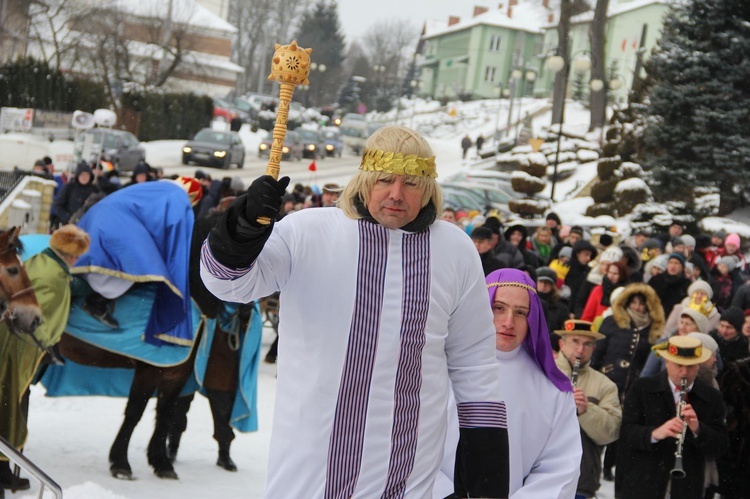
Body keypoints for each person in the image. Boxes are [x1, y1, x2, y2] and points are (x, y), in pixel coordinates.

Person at [201, 126, 510, 498]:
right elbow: (226, 282)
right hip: (313, 463)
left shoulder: (456, 250)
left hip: (407, 468)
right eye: (384, 180)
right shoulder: (307, 231)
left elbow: (473, 360)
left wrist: (485, 463)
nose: (396, 194)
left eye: (412, 182)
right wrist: (244, 227)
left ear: (429, 187)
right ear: (364, 180)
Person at [433, 268, 581, 498]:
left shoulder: (552, 390)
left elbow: (561, 467)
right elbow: (408, 441)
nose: (509, 322)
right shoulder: (436, 368)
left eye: (521, 312)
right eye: (498, 308)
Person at [0, 225, 90, 492]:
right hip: (20, 344)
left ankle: (5, 468)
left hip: (22, 341)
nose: (76, 260)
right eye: (75, 255)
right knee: (9, 403)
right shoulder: (51, 274)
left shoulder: (46, 264)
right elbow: (34, 315)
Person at [616, 335, 729, 499]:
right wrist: (655, 434)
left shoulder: (711, 397)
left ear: (699, 365)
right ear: (667, 362)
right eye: (679, 365)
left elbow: (720, 446)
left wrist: (698, 429)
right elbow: (626, 434)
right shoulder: (642, 388)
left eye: (690, 366)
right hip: (644, 484)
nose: (684, 372)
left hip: (687, 487)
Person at [590, 282, 665, 481]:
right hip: (608, 381)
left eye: (642, 304)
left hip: (633, 386)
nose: (638, 307)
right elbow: (599, 351)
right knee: (596, 423)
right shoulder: (612, 322)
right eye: (634, 303)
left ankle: (609, 466)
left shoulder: (654, 330)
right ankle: (590, 466)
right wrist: (593, 372)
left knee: (621, 426)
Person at [555, 320, 622, 499]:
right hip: (535, 475)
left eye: (587, 344)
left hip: (581, 481)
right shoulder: (541, 372)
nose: (580, 350)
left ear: (594, 348)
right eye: (575, 341)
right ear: (562, 344)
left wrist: (586, 410)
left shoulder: (605, 385)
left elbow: (612, 431)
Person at [648, 252, 692, 317]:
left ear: (682, 267)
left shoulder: (687, 284)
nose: (673, 266)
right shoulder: (656, 280)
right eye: (671, 263)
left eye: (676, 263)